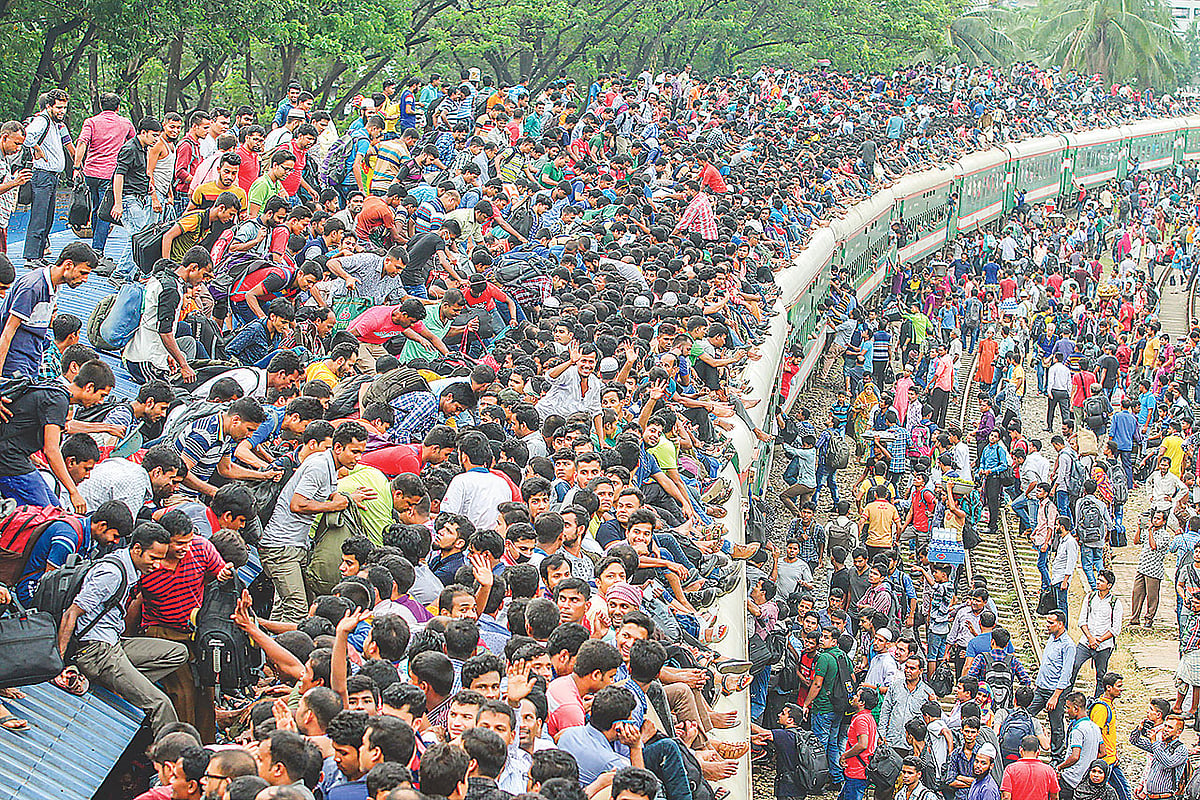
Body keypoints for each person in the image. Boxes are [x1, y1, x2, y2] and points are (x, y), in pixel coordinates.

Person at [56, 522, 189, 735]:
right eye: (153, 558)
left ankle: (122, 684)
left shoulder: (128, 565)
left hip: (113, 642)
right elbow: (71, 613)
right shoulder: (111, 573)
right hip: (96, 651)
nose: (157, 565)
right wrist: (57, 664)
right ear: (137, 549)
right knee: (160, 704)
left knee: (178, 653)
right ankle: (170, 752)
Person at [260, 422, 377, 622]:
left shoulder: (330, 465)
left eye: (361, 452)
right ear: (338, 447)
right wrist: (333, 506)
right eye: (354, 452)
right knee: (297, 610)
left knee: (285, 608)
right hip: (281, 547)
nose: (358, 458)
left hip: (296, 546)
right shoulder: (320, 466)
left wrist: (347, 498)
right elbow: (297, 504)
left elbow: (329, 495)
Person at [0, 241, 96, 378]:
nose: (85, 279)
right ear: (68, 265)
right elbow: (8, 332)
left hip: (32, 359)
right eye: (83, 273)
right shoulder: (33, 287)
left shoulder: (54, 286)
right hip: (16, 362)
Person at [73, 92, 135, 253]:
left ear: (101, 106)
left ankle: (96, 242)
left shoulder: (91, 122)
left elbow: (82, 143)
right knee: (105, 211)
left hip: (90, 172)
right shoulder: (125, 123)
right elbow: (134, 143)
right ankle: (98, 248)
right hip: (110, 174)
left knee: (95, 208)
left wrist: (77, 166)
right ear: (118, 107)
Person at [22, 89, 73, 267]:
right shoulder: (42, 120)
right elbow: (26, 136)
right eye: (58, 107)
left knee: (48, 217)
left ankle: (39, 253)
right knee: (39, 217)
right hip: (42, 175)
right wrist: (36, 147)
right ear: (49, 106)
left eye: (64, 107)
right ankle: (31, 256)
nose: (62, 111)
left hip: (52, 176)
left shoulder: (54, 123)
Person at [111, 117, 165, 283]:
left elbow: (140, 172)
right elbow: (118, 175)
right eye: (154, 135)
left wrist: (148, 187)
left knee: (140, 236)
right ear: (143, 132)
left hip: (139, 197)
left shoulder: (143, 149)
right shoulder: (130, 149)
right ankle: (121, 273)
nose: (156, 139)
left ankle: (131, 271)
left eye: (158, 136)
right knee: (140, 237)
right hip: (128, 199)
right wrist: (118, 203)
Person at [1028, 611, 1075, 760]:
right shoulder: (1051, 639)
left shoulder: (1068, 645)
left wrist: (1055, 696)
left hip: (1055, 691)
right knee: (1027, 714)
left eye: (1051, 623)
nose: (1047, 625)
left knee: (1056, 725)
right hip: (1041, 688)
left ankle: (1057, 756)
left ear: (1060, 624)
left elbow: (1066, 673)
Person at [1000, 736, 1059, 800]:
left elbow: (1006, 797)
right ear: (1038, 752)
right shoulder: (1049, 770)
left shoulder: (1010, 769)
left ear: (1021, 750)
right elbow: (1055, 796)